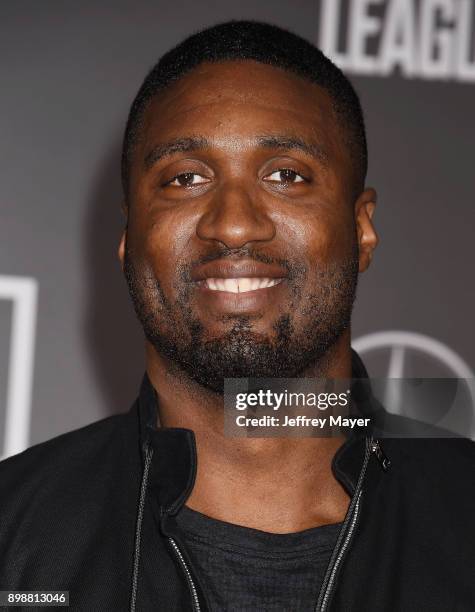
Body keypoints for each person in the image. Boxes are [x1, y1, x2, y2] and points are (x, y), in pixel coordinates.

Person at [0, 20, 473, 612]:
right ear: (129, 237)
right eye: (186, 178)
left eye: (286, 175)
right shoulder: (13, 537)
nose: (233, 223)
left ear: (361, 228)